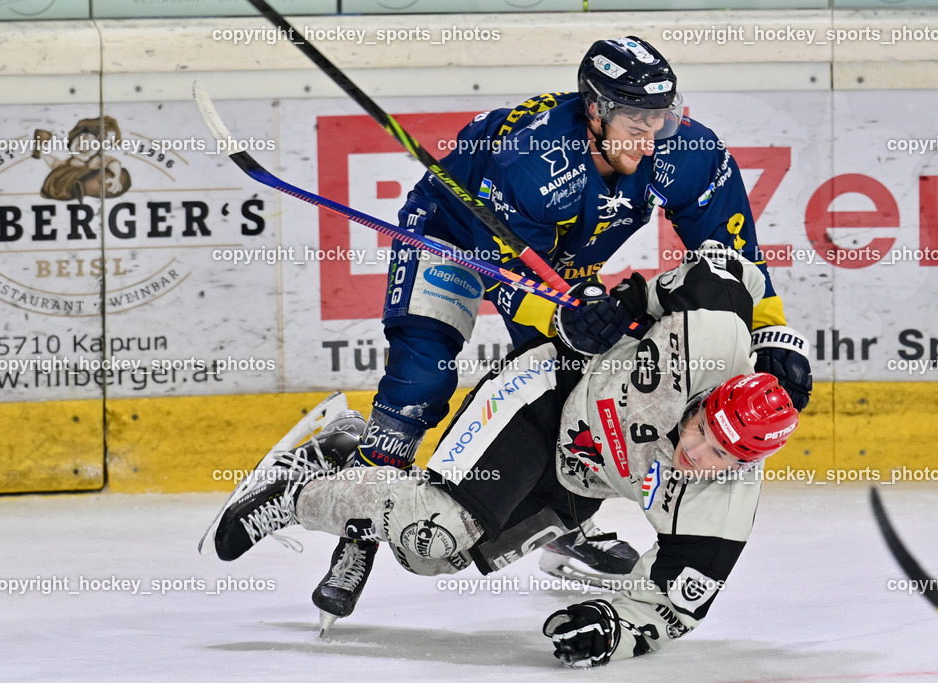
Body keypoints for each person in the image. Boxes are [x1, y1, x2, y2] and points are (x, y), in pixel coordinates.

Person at [313, 35, 813, 629]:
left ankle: (568, 524)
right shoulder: (535, 162)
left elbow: (729, 260)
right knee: (419, 381)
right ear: (596, 110)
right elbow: (508, 281)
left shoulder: (688, 150)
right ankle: (358, 519)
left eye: (662, 116)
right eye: (636, 119)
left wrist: (772, 333)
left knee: (571, 381)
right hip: (456, 236)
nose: (651, 136)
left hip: (561, 259)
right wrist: (562, 314)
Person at [210, 242, 800, 667]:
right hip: (547, 395)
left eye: (719, 455)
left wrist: (616, 629)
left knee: (425, 556)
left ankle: (344, 451)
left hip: (576, 483)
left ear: (744, 466)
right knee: (436, 527)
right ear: (710, 396)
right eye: (700, 425)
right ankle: (295, 491)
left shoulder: (721, 509)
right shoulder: (714, 336)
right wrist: (630, 304)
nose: (694, 450)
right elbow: (725, 262)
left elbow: (672, 607)